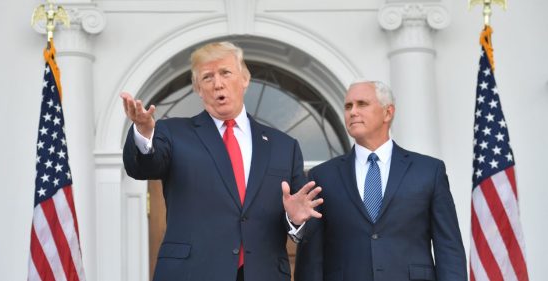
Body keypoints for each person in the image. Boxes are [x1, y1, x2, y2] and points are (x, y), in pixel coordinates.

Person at [121, 41, 322, 281]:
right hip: (191, 273)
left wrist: (295, 219)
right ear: (198, 88)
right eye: (207, 77)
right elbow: (143, 166)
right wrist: (144, 132)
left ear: (245, 79)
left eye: (225, 73)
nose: (218, 83)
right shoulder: (172, 133)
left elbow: (304, 218)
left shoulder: (284, 146)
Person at [294, 80, 467, 281]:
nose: (353, 112)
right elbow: (311, 258)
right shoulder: (322, 176)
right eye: (348, 106)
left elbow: (449, 248)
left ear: (388, 112)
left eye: (362, 104)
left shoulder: (429, 171)